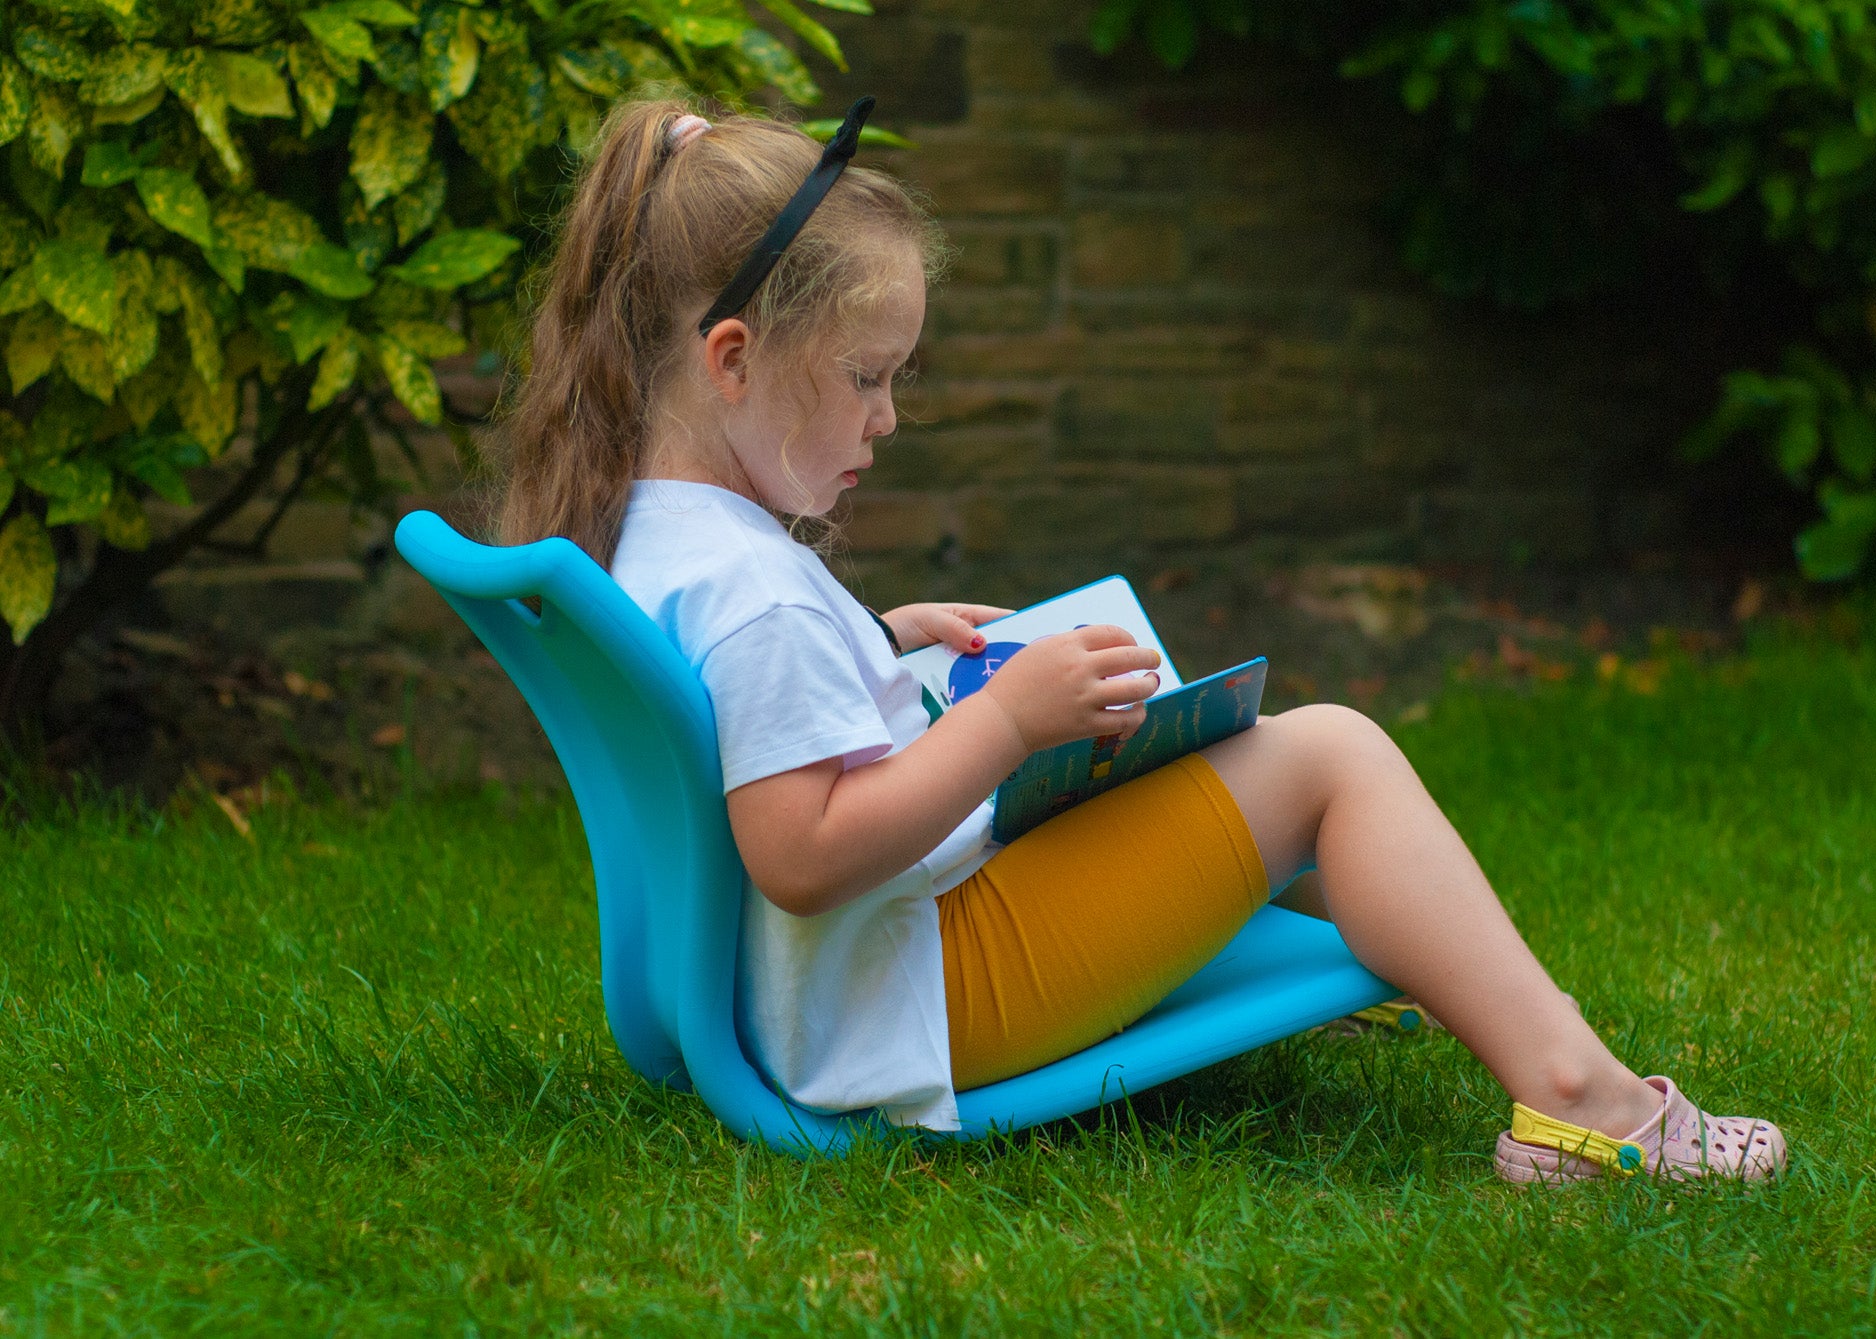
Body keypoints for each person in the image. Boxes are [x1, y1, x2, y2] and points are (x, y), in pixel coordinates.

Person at [498, 96, 1786, 1184]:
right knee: (1328, 755)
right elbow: (802, 854)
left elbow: (739, 712)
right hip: (917, 1000)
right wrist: (1005, 724)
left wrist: (881, 643)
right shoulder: (759, 597)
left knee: (1224, 757)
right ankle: (1588, 1110)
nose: (889, 418)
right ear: (732, 357)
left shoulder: (661, 533)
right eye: (867, 376)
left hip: (829, 994)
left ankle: (1419, 956)